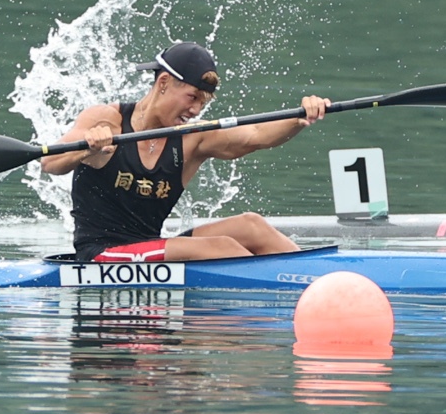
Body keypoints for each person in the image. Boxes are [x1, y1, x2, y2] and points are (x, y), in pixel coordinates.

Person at [40, 41, 326, 262]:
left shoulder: (191, 140)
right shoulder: (107, 120)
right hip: (102, 254)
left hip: (151, 247)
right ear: (163, 82)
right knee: (222, 248)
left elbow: (256, 135)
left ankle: (319, 278)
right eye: (192, 97)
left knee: (252, 226)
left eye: (203, 102)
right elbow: (50, 162)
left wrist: (300, 118)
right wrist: (89, 147)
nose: (196, 110)